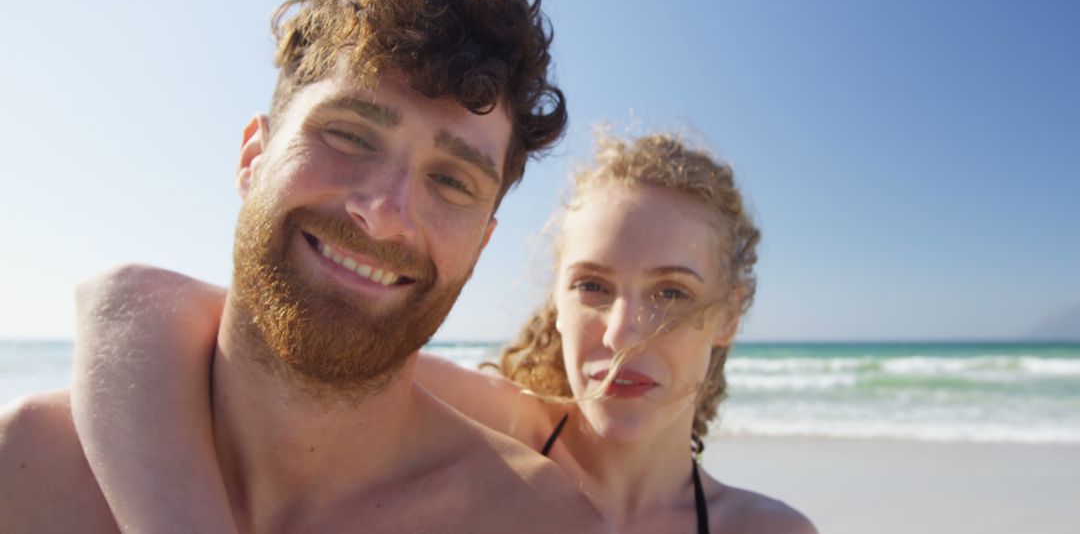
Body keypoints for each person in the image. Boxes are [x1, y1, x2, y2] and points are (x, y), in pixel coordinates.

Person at [0, 0, 611, 533]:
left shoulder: (536, 521)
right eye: (349, 135)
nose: (384, 216)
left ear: (482, 244)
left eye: (452, 181)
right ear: (252, 158)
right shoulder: (27, 469)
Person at [66, 133, 817, 533]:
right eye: (592, 286)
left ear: (729, 315)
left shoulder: (766, 531)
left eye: (671, 294)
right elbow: (129, 299)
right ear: (555, 300)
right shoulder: (495, 428)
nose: (622, 331)